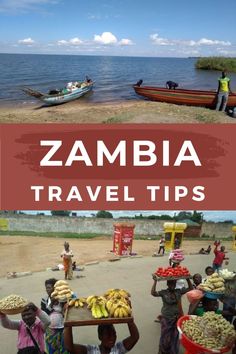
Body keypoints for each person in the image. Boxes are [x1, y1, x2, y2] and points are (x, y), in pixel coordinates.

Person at [151, 275, 192, 354]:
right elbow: (153, 293)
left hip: (176, 317)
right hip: (167, 318)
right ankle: (162, 351)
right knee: (165, 336)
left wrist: (187, 279)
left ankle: (173, 351)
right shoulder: (164, 292)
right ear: (167, 284)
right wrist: (155, 281)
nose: (172, 285)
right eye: (170, 284)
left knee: (175, 336)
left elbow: (190, 288)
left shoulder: (178, 291)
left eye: (174, 283)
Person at [64, 320, 139, 354]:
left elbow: (135, 337)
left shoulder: (118, 349)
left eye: (114, 334)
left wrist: (128, 317)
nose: (112, 338)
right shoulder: (90, 350)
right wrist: (68, 323)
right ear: (100, 337)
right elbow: (70, 347)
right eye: (108, 335)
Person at [41, 278, 69, 353]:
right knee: (52, 349)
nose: (47, 290)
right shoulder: (44, 300)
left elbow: (66, 312)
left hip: (62, 328)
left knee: (64, 348)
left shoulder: (62, 298)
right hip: (50, 330)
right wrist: (51, 303)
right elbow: (43, 314)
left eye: (49, 288)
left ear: (55, 288)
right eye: (46, 288)